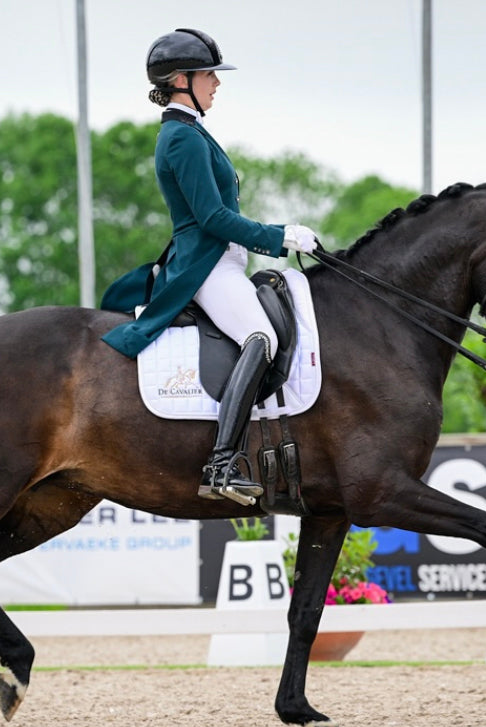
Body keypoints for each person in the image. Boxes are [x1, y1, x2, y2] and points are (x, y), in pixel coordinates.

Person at [100, 28, 319, 506]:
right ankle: (222, 464)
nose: (216, 84)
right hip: (206, 266)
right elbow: (214, 218)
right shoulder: (181, 138)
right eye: (209, 76)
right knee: (261, 338)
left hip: (222, 262)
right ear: (181, 80)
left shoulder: (193, 132)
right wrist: (278, 235)